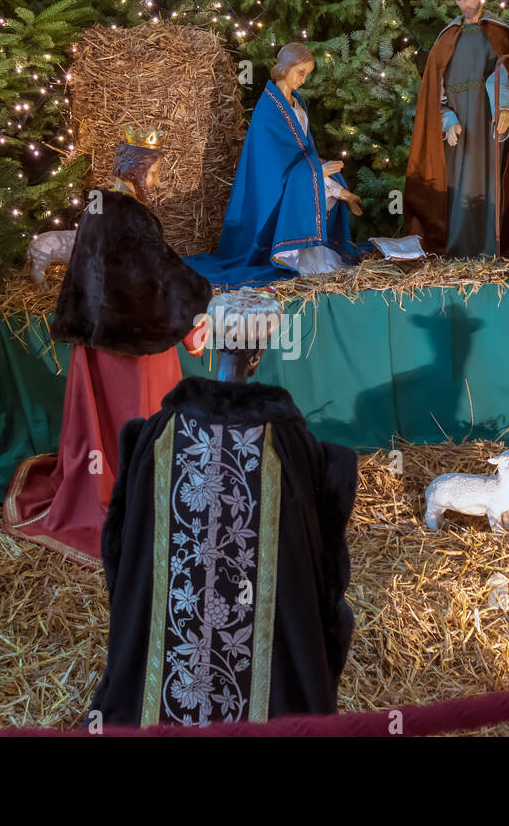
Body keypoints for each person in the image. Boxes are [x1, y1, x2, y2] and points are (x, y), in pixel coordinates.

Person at [91, 289, 356, 726]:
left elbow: (122, 545)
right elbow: (319, 548)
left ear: (212, 338)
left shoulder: (159, 433)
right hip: (274, 678)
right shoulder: (287, 442)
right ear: (263, 347)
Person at [2, 127, 212, 565]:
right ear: (138, 170)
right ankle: (140, 486)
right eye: (153, 173)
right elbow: (159, 274)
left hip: (98, 343)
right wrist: (200, 295)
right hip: (132, 351)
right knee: (137, 417)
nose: (156, 182)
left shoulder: (97, 207)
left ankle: (107, 477)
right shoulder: (132, 216)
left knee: (104, 429)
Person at [184, 43, 369, 287]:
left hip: (295, 177)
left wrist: (318, 171)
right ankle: (289, 250)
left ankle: (336, 198)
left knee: (320, 178)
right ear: (285, 67)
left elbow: (303, 154)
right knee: (312, 179)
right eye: (300, 71)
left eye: (307, 74)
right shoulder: (269, 109)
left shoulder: (297, 106)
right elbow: (270, 164)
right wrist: (314, 172)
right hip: (272, 188)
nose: (303, 79)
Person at [405, 0, 509, 259]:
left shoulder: (498, 34)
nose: (463, 4)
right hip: (459, 126)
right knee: (458, 183)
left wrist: (505, 108)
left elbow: (507, 74)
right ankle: (460, 247)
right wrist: (448, 120)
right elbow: (436, 90)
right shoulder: (448, 37)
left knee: (490, 179)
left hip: (488, 122)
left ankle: (490, 246)